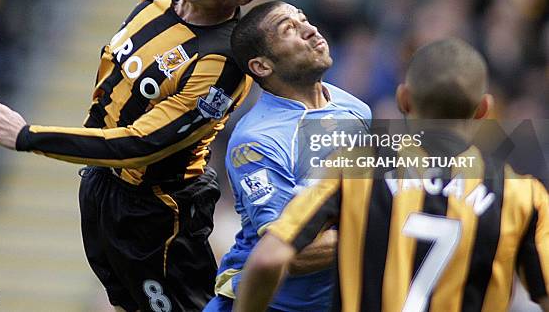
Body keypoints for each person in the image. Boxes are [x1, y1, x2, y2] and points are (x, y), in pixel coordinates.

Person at [0, 0, 292, 312]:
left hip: (157, 212)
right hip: (103, 187)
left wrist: (27, 136)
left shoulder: (221, 64)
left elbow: (141, 143)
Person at [234, 38, 549, 312]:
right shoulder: (522, 194)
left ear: (403, 100)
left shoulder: (356, 167)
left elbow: (268, 259)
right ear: (484, 109)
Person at [204, 1, 371, 311]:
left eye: (304, 20)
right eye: (289, 29)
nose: (311, 30)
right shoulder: (257, 141)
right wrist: (379, 228)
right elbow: (290, 254)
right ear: (262, 66)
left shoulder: (357, 110)